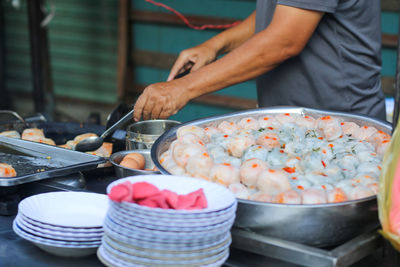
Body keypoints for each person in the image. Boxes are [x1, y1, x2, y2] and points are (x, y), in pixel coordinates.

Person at [133, 0, 386, 122]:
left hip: (342, 129)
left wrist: (184, 87)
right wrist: (214, 45)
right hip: (292, 124)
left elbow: (285, 40)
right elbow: (280, 11)